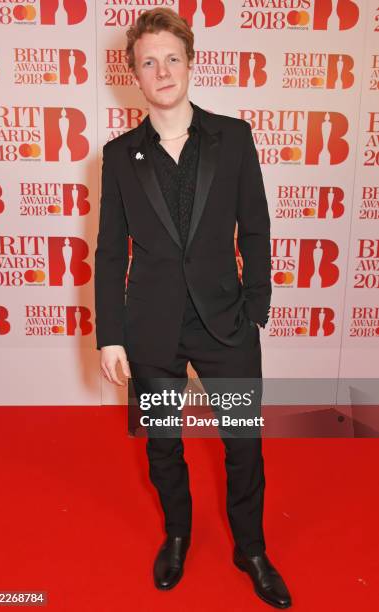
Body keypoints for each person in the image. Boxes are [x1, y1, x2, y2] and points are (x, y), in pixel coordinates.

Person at [94, 7, 291, 609]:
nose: (162, 70)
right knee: (162, 445)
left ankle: (250, 548)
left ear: (190, 62)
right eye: (148, 61)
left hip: (226, 326)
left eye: (171, 58)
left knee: (243, 446)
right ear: (134, 73)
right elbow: (109, 252)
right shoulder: (119, 153)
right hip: (150, 330)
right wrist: (111, 335)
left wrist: (256, 305)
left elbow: (254, 227)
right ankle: (177, 534)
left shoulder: (233, 137)